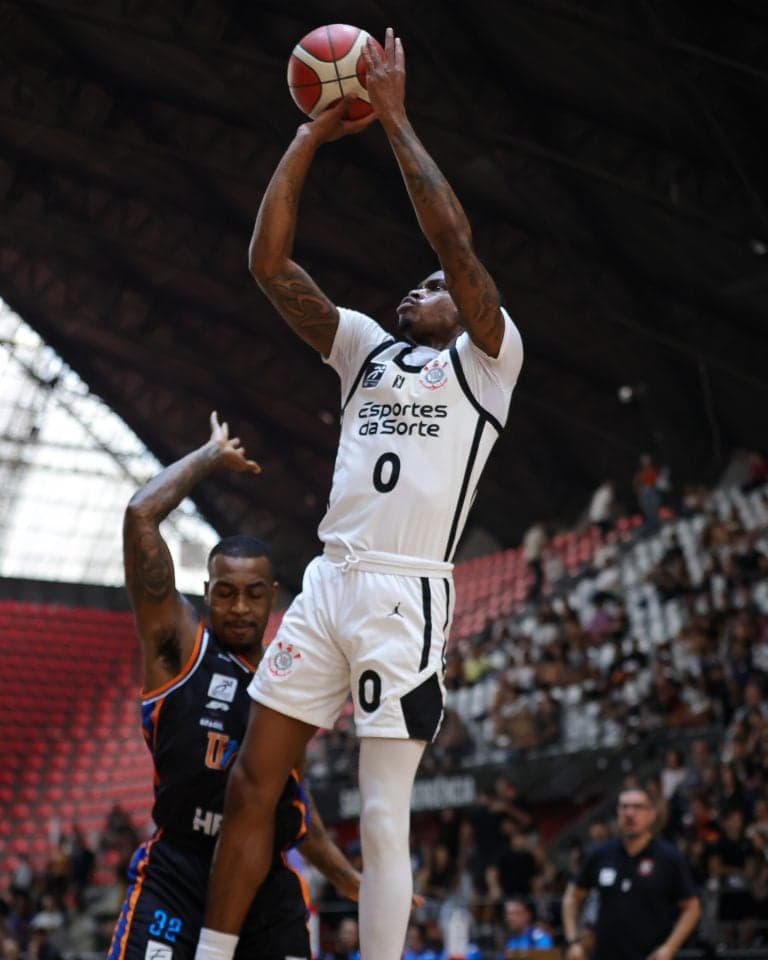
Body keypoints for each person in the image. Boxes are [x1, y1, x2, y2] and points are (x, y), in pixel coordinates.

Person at [195, 26, 524, 960]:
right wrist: (310, 133)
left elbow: (452, 239)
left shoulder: (489, 362)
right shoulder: (365, 352)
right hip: (329, 582)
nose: (415, 291)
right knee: (253, 788)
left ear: (467, 303)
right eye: (410, 286)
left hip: (404, 591)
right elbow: (269, 267)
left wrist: (393, 118)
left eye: (434, 287)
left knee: (383, 817)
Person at [108, 413, 362, 960]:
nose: (239, 607)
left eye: (253, 593)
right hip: (180, 871)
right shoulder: (179, 649)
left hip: (266, 880)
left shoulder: (287, 676)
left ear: (273, 595)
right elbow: (140, 515)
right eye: (225, 593)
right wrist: (210, 455)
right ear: (207, 591)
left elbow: (289, 796)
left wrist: (348, 879)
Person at [562, 787, 701, 960]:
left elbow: (692, 908)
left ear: (651, 815)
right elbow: (571, 897)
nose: (630, 813)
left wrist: (669, 947)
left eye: (637, 807)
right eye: (624, 807)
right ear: (617, 814)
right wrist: (573, 940)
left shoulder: (669, 857)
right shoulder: (599, 854)